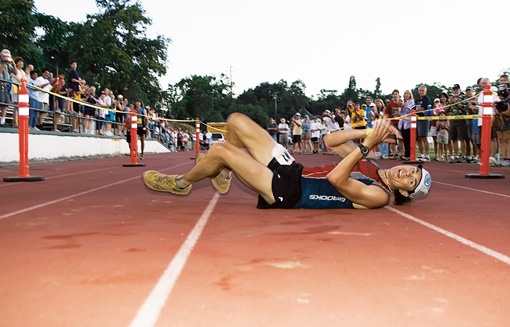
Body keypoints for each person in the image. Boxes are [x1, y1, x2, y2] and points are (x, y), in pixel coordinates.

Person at [142, 113, 431, 209]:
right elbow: (331, 141)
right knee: (236, 122)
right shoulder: (370, 167)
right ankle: (222, 170)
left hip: (290, 193)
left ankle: (181, 183)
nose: (407, 172)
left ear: (403, 192)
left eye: (410, 181)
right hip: (293, 170)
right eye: (413, 171)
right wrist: (370, 131)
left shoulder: (379, 196)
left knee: (219, 151)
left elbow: (336, 180)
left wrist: (367, 146)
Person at [415, 85, 432, 161]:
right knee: (418, 138)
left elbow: (422, 108)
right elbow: (414, 107)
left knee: (424, 137)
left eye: (423, 90)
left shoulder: (426, 99)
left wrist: (413, 112)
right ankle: (421, 154)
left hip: (424, 119)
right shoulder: (417, 99)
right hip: (417, 119)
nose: (421, 92)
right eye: (420, 90)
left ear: (425, 91)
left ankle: (427, 155)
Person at [0, 49, 17, 127]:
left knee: (6, 104)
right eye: (5, 56)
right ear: (1, 56)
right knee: (1, 102)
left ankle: (2, 121)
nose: (7, 58)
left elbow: (15, 73)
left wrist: (14, 64)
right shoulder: (1, 63)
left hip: (6, 85)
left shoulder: (9, 65)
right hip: (0, 84)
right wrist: (4, 64)